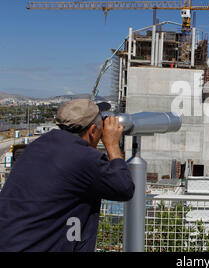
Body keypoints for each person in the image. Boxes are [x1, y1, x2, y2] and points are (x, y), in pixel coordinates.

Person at [0, 99, 135, 252]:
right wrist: (112, 144)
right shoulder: (83, 157)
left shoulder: (37, 146)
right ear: (92, 131)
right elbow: (124, 188)